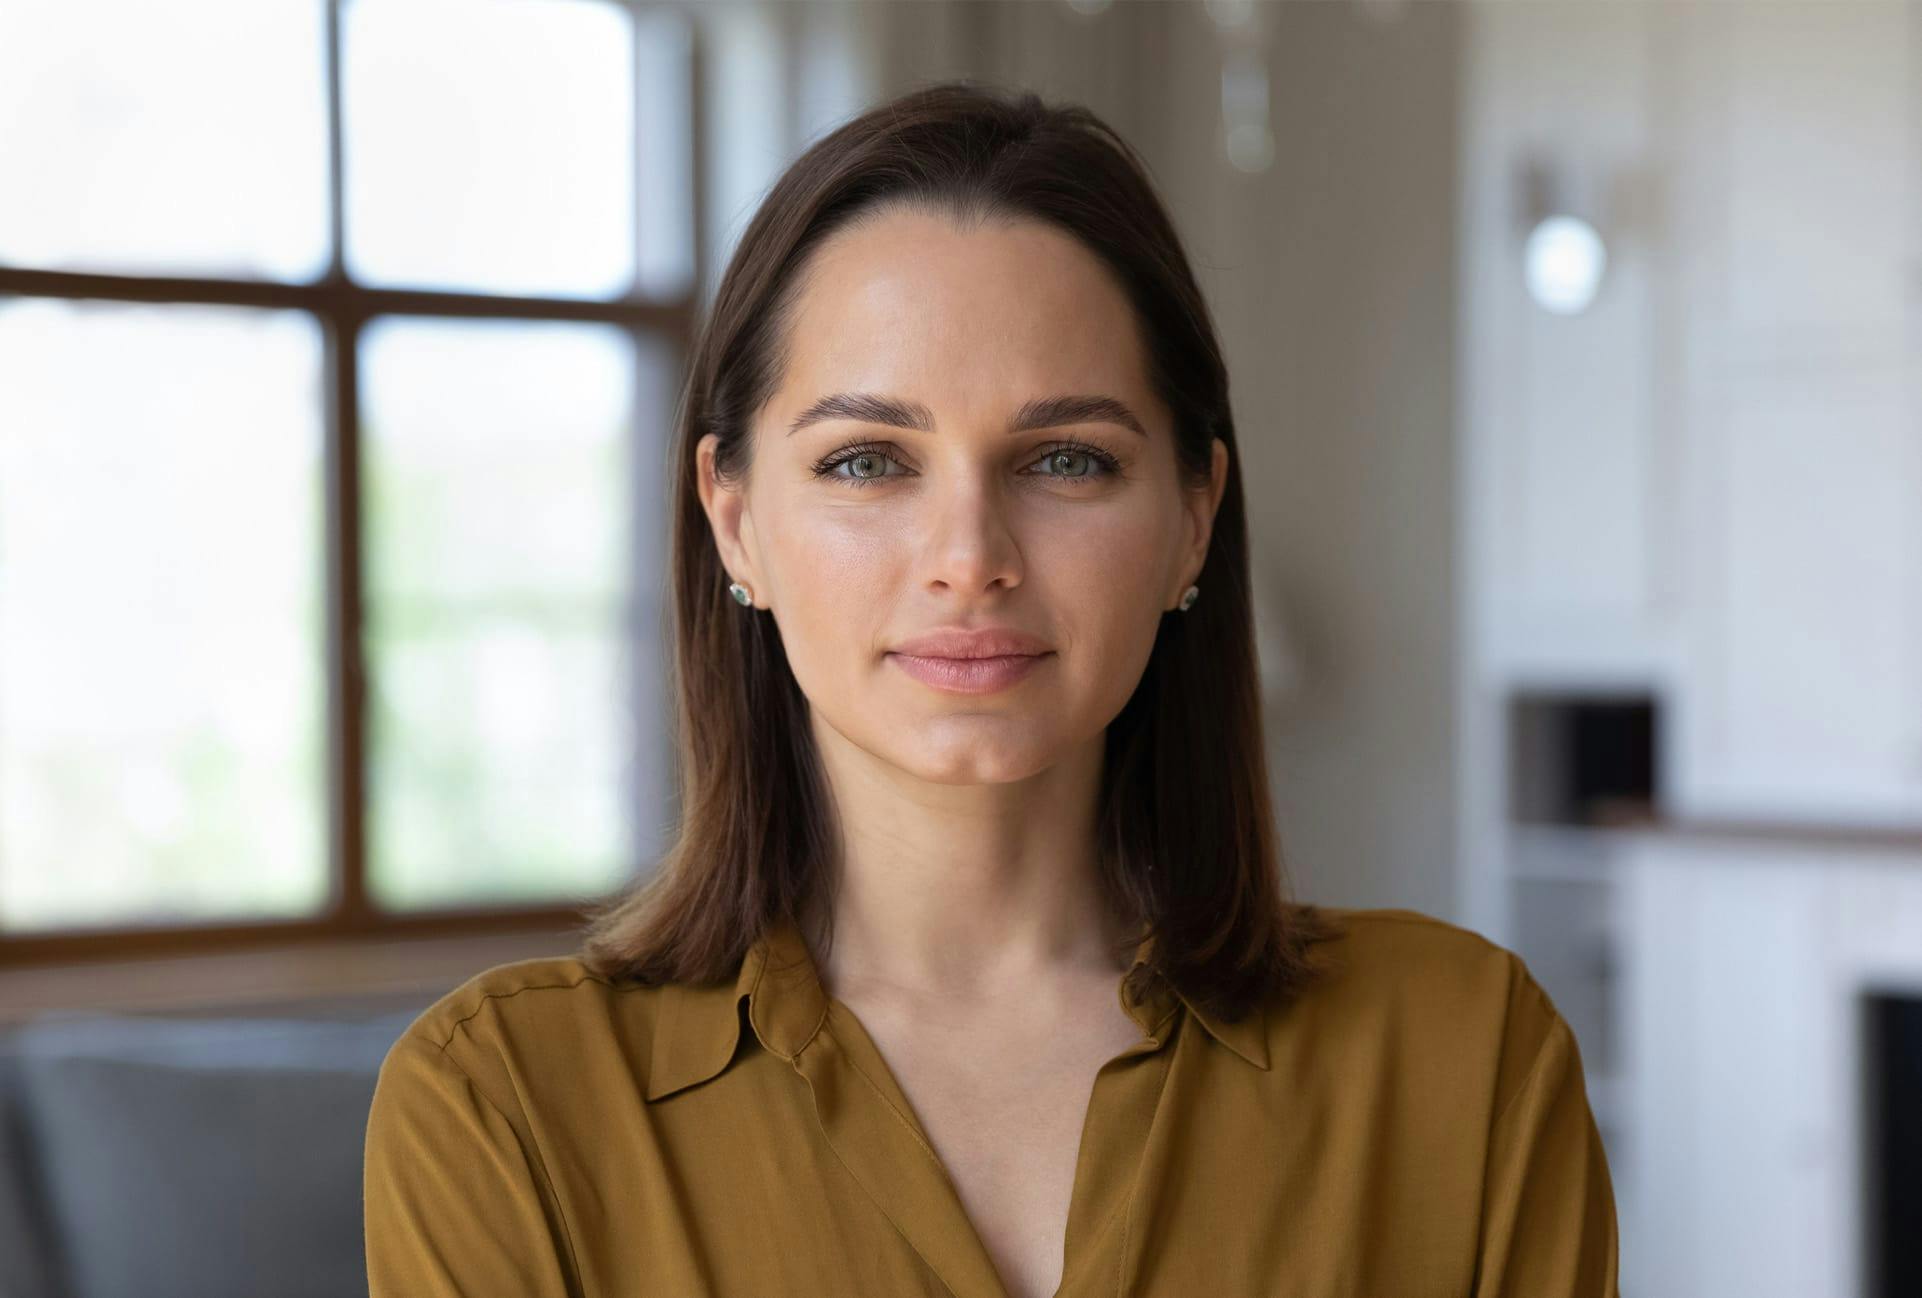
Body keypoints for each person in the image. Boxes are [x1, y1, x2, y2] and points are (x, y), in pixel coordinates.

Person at [363, 79, 1619, 1298]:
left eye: (1065, 458)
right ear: (734, 520)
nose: (969, 558)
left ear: (1192, 519)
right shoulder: (503, 1107)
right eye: (866, 461)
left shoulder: (1464, 1057)